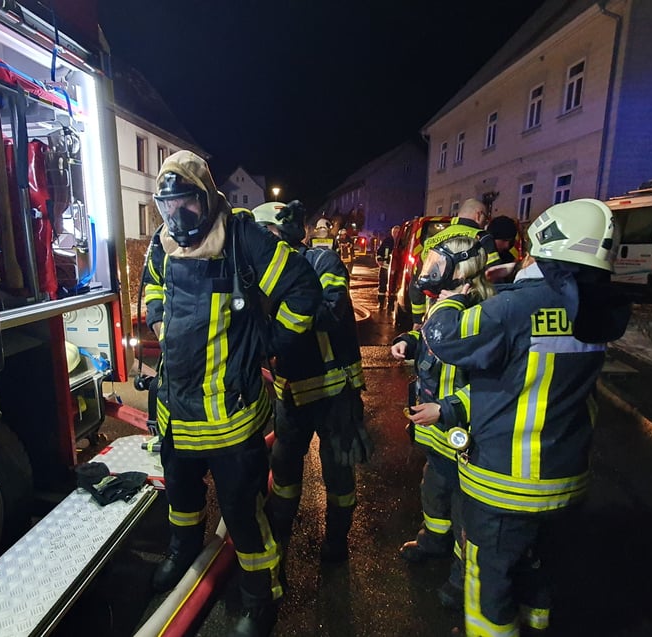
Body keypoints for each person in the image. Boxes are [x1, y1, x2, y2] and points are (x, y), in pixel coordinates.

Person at [423, 199, 631, 636]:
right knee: (540, 569)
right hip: (565, 477)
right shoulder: (595, 307)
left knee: (492, 581)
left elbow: (444, 338)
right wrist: (515, 281)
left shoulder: (515, 308)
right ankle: (537, 625)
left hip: (507, 484)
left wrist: (451, 295)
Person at [141, 151, 322, 637]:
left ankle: (259, 597)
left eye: (188, 205)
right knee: (179, 494)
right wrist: (158, 318)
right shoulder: (162, 244)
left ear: (208, 198)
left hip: (231, 417)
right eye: (169, 207)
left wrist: (271, 344)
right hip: (176, 410)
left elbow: (304, 290)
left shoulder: (243, 237)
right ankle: (181, 555)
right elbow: (152, 289)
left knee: (242, 513)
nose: (178, 217)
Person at [250, 200, 373, 564]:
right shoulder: (261, 277)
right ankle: (282, 532)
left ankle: (337, 541)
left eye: (264, 236)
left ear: (283, 234)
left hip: (335, 391)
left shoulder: (322, 262)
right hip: (291, 392)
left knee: (338, 472)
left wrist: (276, 309)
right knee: (285, 470)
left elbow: (330, 312)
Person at [391, 234, 495, 610]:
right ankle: (433, 541)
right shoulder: (443, 304)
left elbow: (493, 387)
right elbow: (431, 340)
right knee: (434, 488)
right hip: (436, 429)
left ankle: (460, 576)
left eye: (437, 265)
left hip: (462, 431)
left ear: (463, 276)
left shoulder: (483, 313)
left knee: (465, 509)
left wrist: (448, 409)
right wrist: (410, 341)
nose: (428, 272)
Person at [409, 198, 495, 327]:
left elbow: (417, 283)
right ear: (479, 215)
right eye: (486, 218)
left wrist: (417, 320)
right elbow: (494, 275)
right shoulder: (481, 237)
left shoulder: (433, 240)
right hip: (467, 314)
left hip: (433, 313)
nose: (485, 222)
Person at [485, 215, 521, 284]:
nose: (507, 246)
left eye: (510, 242)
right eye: (503, 240)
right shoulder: (478, 255)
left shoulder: (509, 257)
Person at [376, 224, 400, 296]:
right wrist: (379, 260)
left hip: (396, 269)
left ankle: (391, 303)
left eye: (398, 232)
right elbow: (379, 252)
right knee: (382, 285)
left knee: (394, 286)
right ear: (392, 233)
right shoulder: (387, 241)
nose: (396, 234)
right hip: (385, 267)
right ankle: (381, 302)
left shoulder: (402, 242)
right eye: (394, 232)